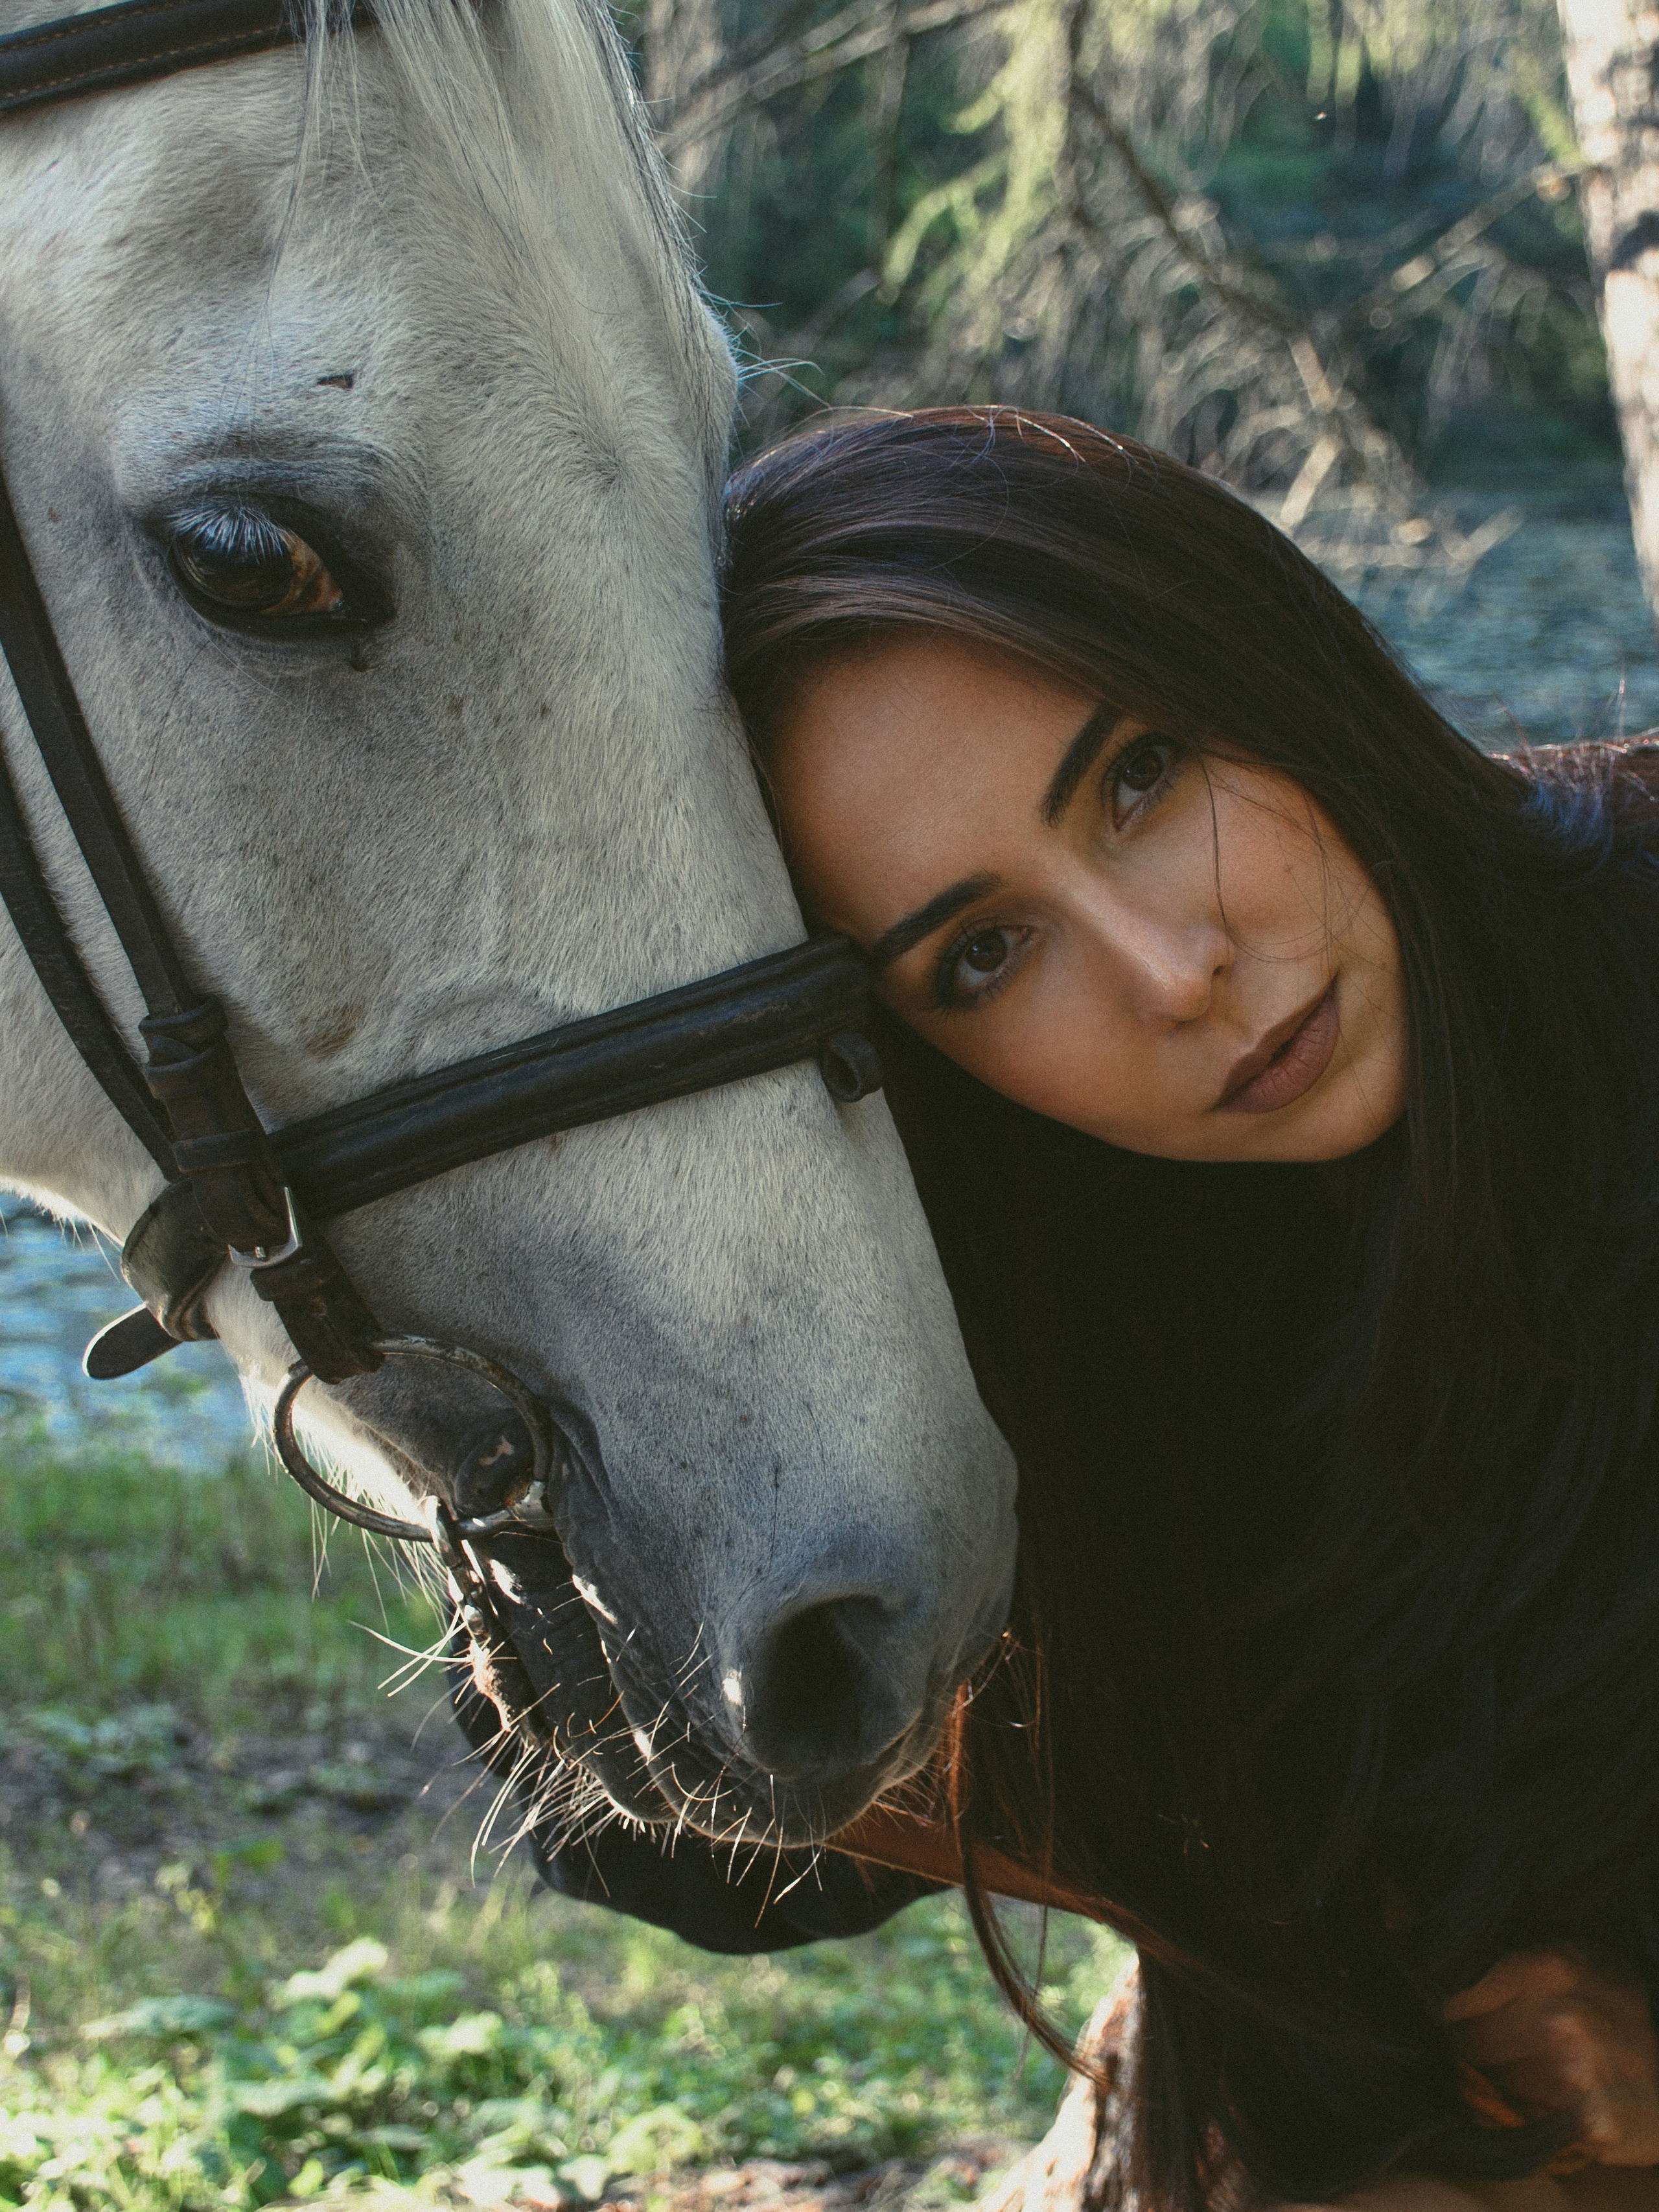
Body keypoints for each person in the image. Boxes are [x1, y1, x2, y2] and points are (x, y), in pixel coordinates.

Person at [701, 406, 1659, 2211]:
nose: (1174, 971)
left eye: (1139, 775)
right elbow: (721, 1852)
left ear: (1256, 650)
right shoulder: (1107, 1291)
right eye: (983, 955)